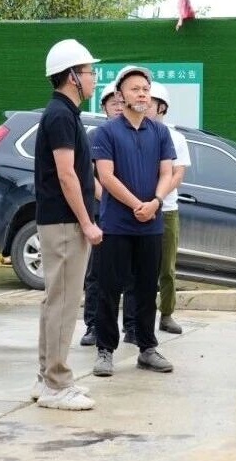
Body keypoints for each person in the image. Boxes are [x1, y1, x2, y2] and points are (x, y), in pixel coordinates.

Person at [29, 39, 104, 411]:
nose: (94, 78)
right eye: (90, 72)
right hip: (64, 223)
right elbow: (66, 174)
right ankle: (57, 385)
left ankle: (46, 378)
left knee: (55, 301)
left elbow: (81, 172)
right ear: (72, 76)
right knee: (63, 302)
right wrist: (87, 222)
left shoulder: (66, 114)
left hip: (60, 220)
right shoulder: (60, 115)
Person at [90, 65, 175, 377]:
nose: (141, 94)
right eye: (135, 89)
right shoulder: (106, 133)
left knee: (146, 288)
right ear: (120, 95)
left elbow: (167, 172)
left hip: (151, 223)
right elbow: (106, 176)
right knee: (109, 288)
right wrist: (137, 204)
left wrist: (155, 202)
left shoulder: (160, 132)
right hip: (116, 225)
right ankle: (105, 350)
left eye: (145, 89)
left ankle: (147, 348)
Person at [81, 82, 130, 347]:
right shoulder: (96, 136)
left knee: (131, 274)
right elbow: (90, 175)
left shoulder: (137, 134)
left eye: (122, 103)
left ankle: (131, 326)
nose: (119, 108)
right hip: (103, 212)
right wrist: (110, 198)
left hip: (131, 214)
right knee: (97, 272)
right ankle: (93, 325)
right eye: (113, 103)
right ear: (104, 107)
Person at [145, 81, 191, 335]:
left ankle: (166, 314)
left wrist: (157, 198)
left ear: (162, 107)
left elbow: (177, 175)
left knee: (167, 267)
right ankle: (138, 317)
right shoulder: (134, 133)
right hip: (138, 209)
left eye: (150, 102)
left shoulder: (176, 138)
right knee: (141, 268)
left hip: (166, 210)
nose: (144, 104)